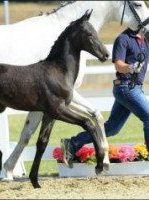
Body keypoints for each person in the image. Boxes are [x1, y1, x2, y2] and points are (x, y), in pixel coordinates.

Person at [61, 27, 149, 167]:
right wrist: (130, 68)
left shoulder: (145, 39)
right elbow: (119, 65)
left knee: (112, 128)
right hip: (126, 87)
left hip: (135, 88)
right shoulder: (123, 39)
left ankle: (73, 143)